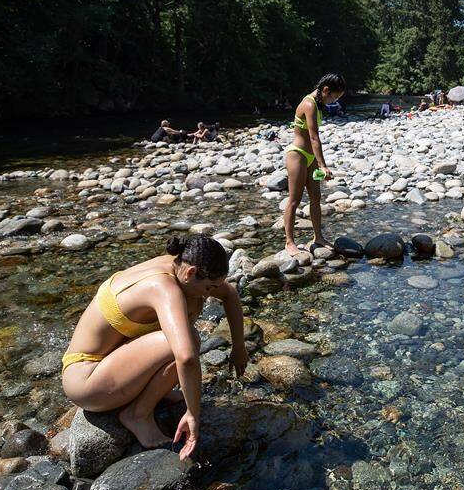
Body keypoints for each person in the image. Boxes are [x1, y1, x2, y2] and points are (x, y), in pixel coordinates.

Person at [61, 235, 247, 460]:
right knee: (187, 340)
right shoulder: (163, 288)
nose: (210, 294)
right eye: (208, 288)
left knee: (182, 335)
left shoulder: (178, 264)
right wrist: (193, 415)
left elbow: (229, 293)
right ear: (190, 273)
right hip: (85, 382)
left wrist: (239, 348)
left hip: (111, 363)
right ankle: (137, 415)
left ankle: (155, 393)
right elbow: (187, 357)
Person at [282, 73, 345, 258]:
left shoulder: (318, 104)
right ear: (325, 90)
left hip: (310, 158)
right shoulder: (309, 104)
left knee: (315, 197)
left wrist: (317, 162)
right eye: (334, 97)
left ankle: (318, 237)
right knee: (294, 200)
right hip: (298, 155)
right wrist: (323, 165)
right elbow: (314, 137)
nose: (334, 101)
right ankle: (289, 242)